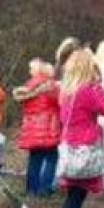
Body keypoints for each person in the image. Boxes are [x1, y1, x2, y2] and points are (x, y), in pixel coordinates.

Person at [55, 49, 104, 208]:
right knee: (78, 193)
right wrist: (98, 85)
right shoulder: (88, 91)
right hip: (84, 145)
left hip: (69, 142)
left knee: (74, 190)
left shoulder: (66, 90)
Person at [14, 58, 62, 196]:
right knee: (52, 157)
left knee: (35, 158)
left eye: (31, 69)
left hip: (32, 128)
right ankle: (44, 189)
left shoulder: (28, 87)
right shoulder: (51, 87)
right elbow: (60, 103)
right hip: (48, 127)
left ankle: (31, 189)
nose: (29, 72)